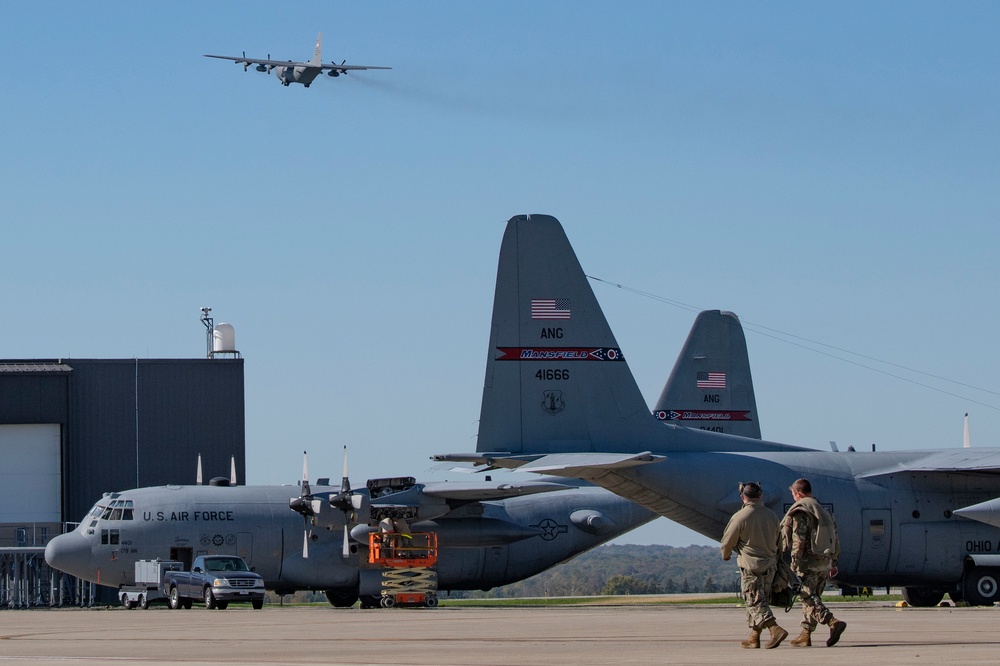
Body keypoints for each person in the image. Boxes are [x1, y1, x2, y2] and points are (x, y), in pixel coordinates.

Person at [780, 478, 848, 647]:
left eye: (794, 494)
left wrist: (794, 565)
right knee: (813, 598)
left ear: (798, 493)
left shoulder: (801, 511)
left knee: (807, 597)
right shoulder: (823, 510)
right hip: (824, 562)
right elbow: (836, 537)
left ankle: (832, 621)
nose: (794, 498)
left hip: (808, 563)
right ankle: (806, 634)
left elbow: (799, 540)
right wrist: (833, 561)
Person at [721, 481, 789, 649]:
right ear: (760, 496)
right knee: (761, 600)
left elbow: (727, 542)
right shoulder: (771, 515)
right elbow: (779, 541)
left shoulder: (740, 517)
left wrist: (726, 555)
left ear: (742, 497)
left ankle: (775, 629)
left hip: (751, 567)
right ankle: (754, 637)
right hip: (770, 566)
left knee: (754, 602)